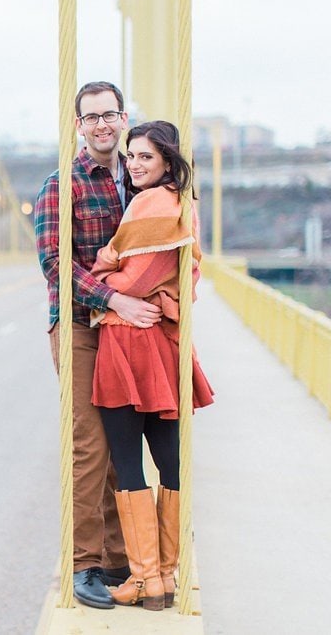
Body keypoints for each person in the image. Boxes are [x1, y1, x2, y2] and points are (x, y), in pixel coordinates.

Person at [34, 81, 165, 609]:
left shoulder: (139, 179)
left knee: (123, 443)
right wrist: (113, 300)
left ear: (123, 116)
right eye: (91, 118)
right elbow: (54, 265)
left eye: (109, 115)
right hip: (81, 325)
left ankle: (119, 558)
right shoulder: (59, 185)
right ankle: (83, 563)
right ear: (78, 127)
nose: (102, 125)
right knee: (90, 444)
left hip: (130, 328)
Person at [88, 120, 215, 611]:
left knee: (128, 462)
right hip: (163, 346)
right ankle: (165, 573)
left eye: (145, 157)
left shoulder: (150, 203)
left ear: (167, 161)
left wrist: (107, 270)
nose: (135, 165)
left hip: (127, 344)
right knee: (170, 461)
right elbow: (176, 278)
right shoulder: (184, 205)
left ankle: (145, 581)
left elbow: (128, 277)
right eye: (132, 156)